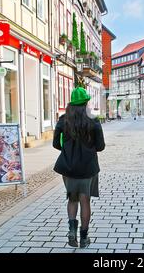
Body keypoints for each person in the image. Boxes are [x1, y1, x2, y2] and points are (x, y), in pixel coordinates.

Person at [53, 87, 105, 248]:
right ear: (86, 103)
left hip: (68, 168)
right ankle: (84, 238)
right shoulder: (93, 121)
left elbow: (56, 144)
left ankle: (71, 231)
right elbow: (100, 146)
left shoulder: (63, 120)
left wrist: (68, 150)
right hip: (88, 168)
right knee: (85, 201)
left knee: (72, 198)